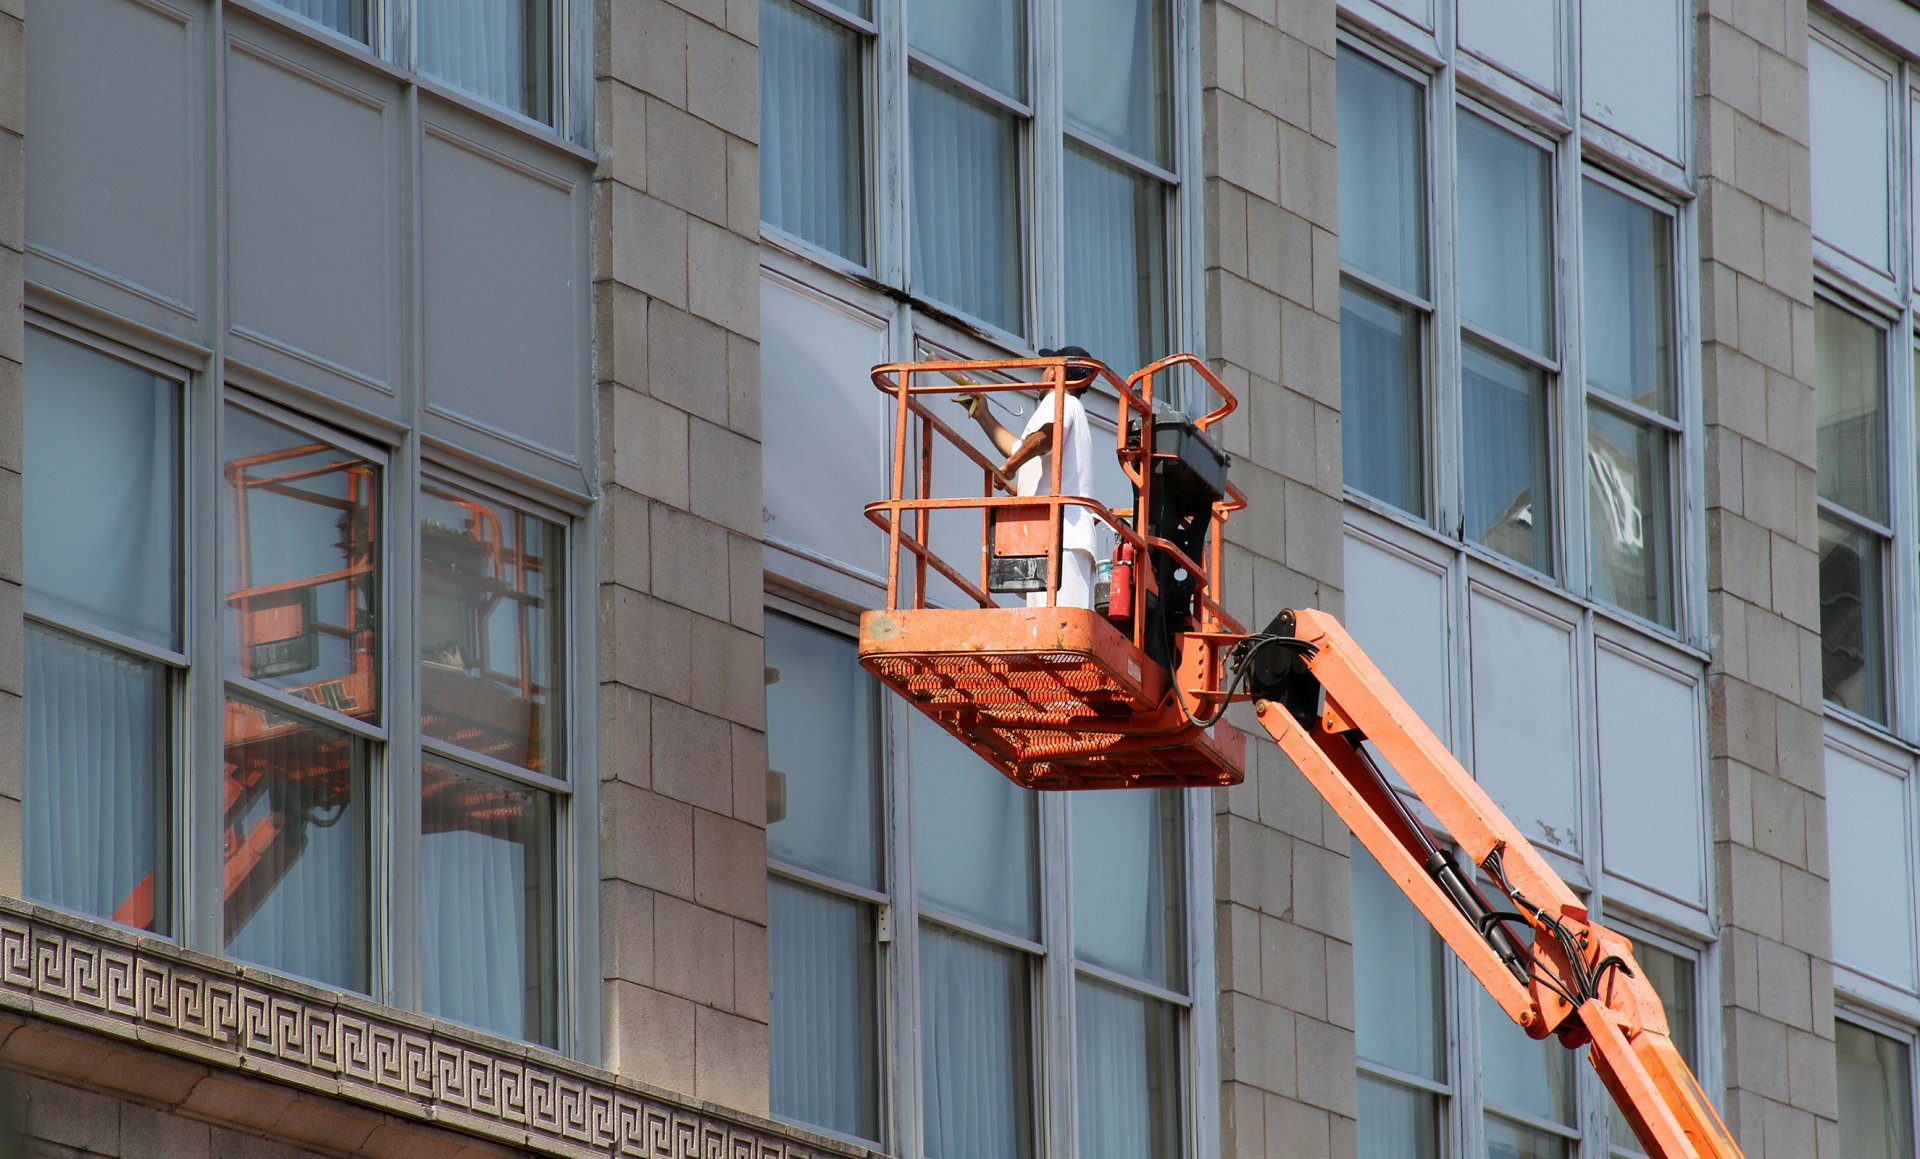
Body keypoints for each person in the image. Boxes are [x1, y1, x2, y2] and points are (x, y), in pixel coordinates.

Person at [956, 346, 1099, 610]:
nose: (1040, 375)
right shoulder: (1068, 407)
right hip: (1050, 540)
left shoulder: (1061, 401)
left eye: (1044, 367)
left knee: (1057, 631)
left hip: (1061, 539)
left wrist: (1010, 467)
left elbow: (1044, 437)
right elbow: (1022, 446)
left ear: (1055, 373)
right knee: (1049, 630)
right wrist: (983, 416)